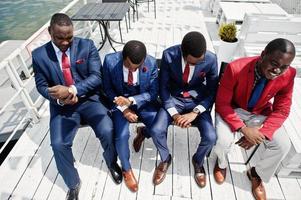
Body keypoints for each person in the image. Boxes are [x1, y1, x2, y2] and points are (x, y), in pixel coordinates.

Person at [32, 13, 122, 200]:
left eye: (69, 37)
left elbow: (97, 77)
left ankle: (112, 162)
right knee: (58, 144)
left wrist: (72, 90)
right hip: (62, 107)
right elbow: (41, 85)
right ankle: (73, 184)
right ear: (50, 32)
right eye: (60, 38)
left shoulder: (87, 46)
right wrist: (58, 99)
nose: (65, 42)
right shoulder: (39, 55)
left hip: (89, 100)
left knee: (107, 129)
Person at [213, 38, 296, 200]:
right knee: (223, 140)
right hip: (232, 108)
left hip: (259, 112)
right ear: (263, 54)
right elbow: (222, 103)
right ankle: (221, 163)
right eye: (274, 63)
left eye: (284, 67)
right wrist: (243, 129)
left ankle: (256, 173)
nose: (277, 71)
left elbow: (282, 109)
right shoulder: (235, 68)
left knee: (283, 145)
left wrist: (262, 133)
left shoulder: (289, 74)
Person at [149, 31, 218, 187]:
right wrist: (174, 114)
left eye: (201, 60)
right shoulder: (169, 55)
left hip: (197, 101)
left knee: (211, 137)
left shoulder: (211, 58)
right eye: (194, 62)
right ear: (183, 53)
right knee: (156, 130)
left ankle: (198, 160)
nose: (199, 63)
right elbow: (163, 87)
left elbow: (212, 91)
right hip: (173, 98)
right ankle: (165, 159)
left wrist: (195, 113)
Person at [102, 40, 159, 192]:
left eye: (138, 67)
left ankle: (142, 133)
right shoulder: (109, 61)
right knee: (121, 135)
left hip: (142, 101)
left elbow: (153, 94)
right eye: (129, 66)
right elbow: (107, 89)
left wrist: (132, 101)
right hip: (120, 103)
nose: (133, 70)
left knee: (158, 126)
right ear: (123, 57)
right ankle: (126, 168)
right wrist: (124, 108)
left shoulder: (151, 63)